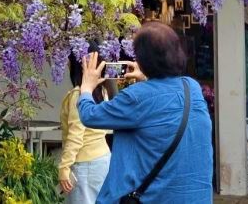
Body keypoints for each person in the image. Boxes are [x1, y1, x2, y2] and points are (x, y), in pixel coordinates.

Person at [77, 22, 213, 204]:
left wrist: (86, 86)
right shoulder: (192, 88)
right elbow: (162, 103)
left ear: (143, 59)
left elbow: (89, 115)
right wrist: (148, 77)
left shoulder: (137, 97)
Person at [59, 55, 113, 203]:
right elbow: (107, 128)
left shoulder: (78, 95)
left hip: (85, 165)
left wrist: (64, 167)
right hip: (103, 159)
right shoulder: (101, 91)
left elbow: (75, 136)